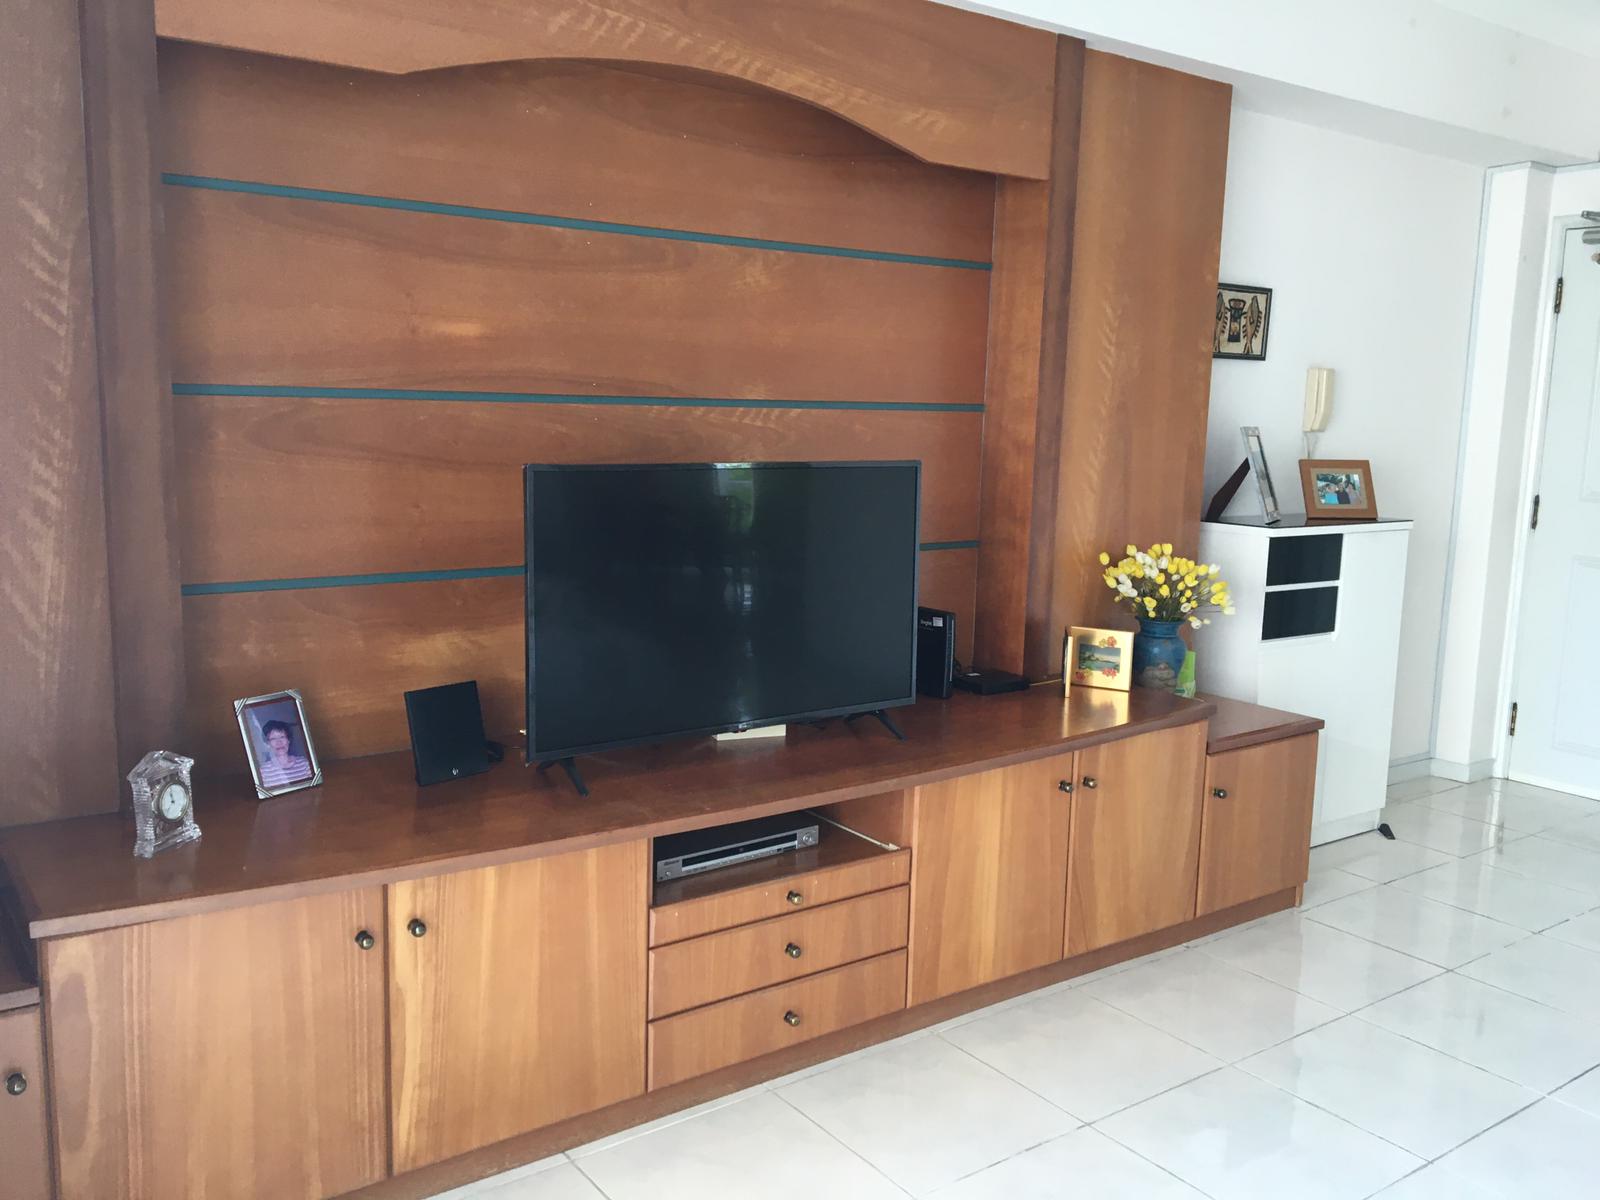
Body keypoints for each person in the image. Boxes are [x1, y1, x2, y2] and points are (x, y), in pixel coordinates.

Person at [258, 718, 312, 786]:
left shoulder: (304, 764)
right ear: (268, 743)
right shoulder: (264, 771)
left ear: (288, 740)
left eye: (282, 737)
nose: (279, 742)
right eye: (273, 739)